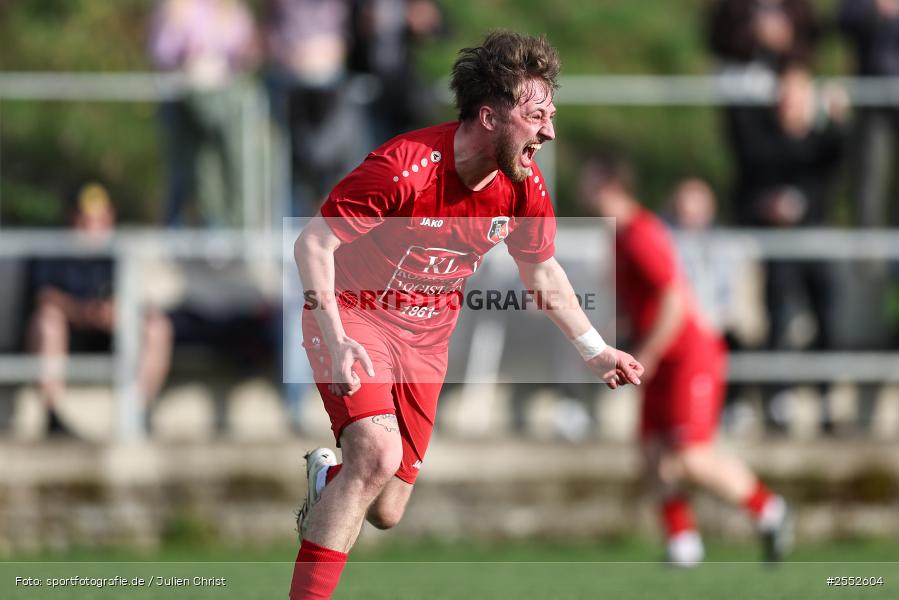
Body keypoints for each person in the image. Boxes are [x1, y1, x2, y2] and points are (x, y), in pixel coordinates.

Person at [289, 31, 644, 599]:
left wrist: (596, 348)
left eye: (551, 116)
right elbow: (313, 245)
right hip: (356, 316)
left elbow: (543, 274)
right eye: (536, 116)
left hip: (426, 341)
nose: (548, 131)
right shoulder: (404, 168)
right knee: (376, 453)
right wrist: (335, 336)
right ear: (489, 116)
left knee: (387, 509)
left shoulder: (523, 188)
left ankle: (329, 480)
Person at [579, 157, 792, 566]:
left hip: (688, 355)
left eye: (590, 181)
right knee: (652, 454)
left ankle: (770, 510)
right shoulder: (619, 236)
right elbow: (633, 303)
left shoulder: (641, 233)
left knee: (692, 457)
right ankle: (683, 542)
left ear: (608, 185)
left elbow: (674, 303)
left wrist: (650, 353)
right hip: (658, 354)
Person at [26, 183, 174, 437]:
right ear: (74, 219)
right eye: (87, 220)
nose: (95, 227)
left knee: (158, 327)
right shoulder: (53, 248)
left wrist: (119, 311)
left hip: (110, 335)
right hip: (69, 334)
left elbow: (142, 297)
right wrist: (82, 312)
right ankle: (52, 417)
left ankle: (135, 414)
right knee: (48, 322)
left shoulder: (120, 250)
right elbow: (44, 296)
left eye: (101, 219)